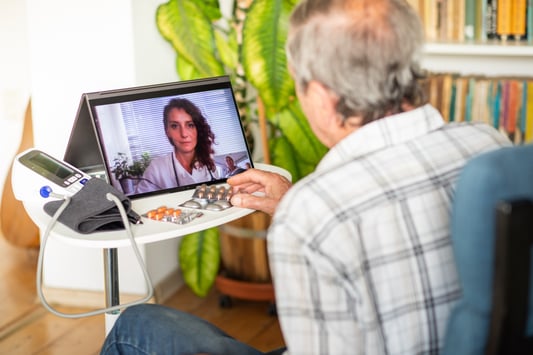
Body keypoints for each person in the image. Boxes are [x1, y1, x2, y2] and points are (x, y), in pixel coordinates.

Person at [101, 0, 512, 354]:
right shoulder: (491, 147)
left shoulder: (311, 217)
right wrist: (294, 201)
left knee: (136, 326)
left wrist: (303, 210)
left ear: (319, 93)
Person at [135, 98, 219, 194]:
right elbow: (143, 203)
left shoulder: (209, 163)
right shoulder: (156, 169)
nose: (183, 134)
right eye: (175, 126)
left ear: (198, 129)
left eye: (190, 125)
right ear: (167, 132)